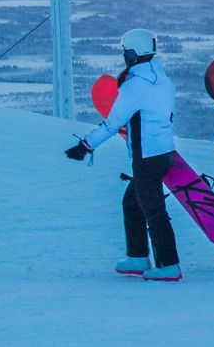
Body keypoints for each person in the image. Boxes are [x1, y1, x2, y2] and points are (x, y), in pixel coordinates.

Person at [64, 28, 182, 282]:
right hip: (164, 152)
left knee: (154, 211)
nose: (124, 56)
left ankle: (169, 265)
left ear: (133, 53)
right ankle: (138, 257)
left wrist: (85, 146)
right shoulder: (163, 81)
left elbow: (112, 124)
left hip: (147, 157)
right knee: (132, 202)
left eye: (125, 51)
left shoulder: (135, 87)